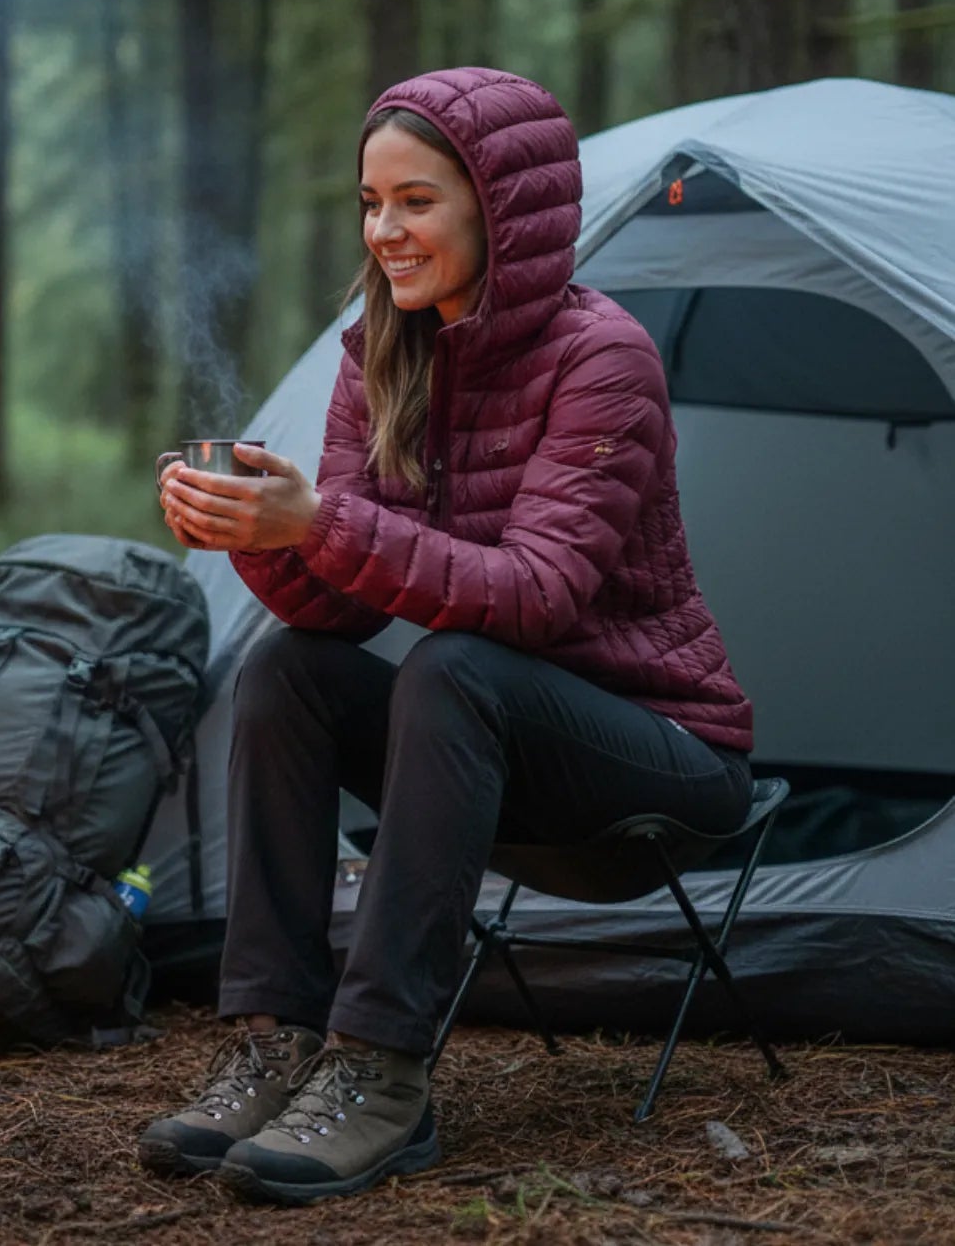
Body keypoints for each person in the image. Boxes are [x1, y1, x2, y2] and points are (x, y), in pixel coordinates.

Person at [140, 67, 754, 1205]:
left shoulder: (603, 358)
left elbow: (537, 598)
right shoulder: (383, 355)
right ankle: (275, 1040)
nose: (385, 233)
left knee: (458, 666)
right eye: (371, 204)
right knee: (287, 672)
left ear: (501, 208)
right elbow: (343, 611)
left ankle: (380, 1072)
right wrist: (260, 537)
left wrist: (321, 522)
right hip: (487, 759)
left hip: (659, 761)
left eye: (416, 202)